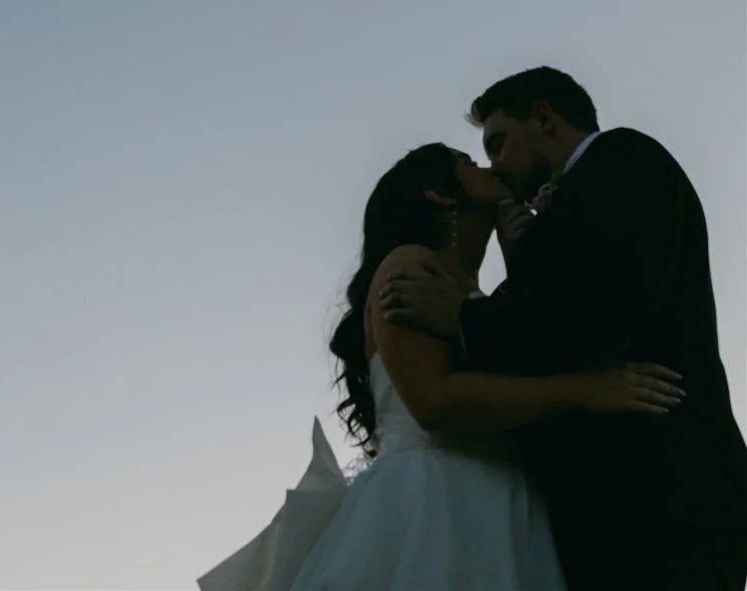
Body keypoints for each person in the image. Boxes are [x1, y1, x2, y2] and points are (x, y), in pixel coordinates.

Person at [198, 142, 684, 591]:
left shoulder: (465, 296)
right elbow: (433, 402)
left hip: (502, 507)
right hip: (436, 506)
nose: (487, 166)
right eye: (467, 163)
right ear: (438, 193)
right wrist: (585, 389)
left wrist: (525, 270)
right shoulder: (412, 264)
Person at [381, 67, 747, 591]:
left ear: (545, 118)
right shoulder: (567, 206)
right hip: (610, 510)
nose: (496, 166)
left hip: (663, 493)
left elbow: (602, 308)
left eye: (499, 142)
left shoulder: (624, 160)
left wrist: (463, 317)